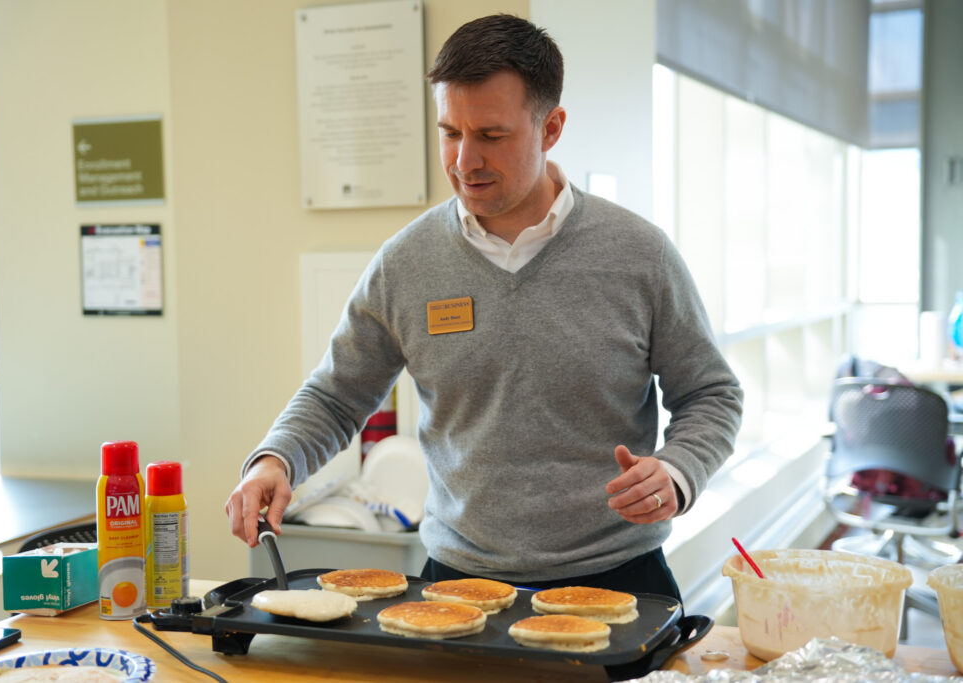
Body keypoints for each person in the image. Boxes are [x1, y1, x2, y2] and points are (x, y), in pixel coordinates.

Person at [225, 14, 742, 601]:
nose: (464, 161)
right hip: (456, 582)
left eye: (492, 136)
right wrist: (275, 459)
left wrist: (677, 471)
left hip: (620, 580)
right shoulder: (406, 263)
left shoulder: (640, 255)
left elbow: (711, 395)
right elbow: (336, 395)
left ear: (551, 128)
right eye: (451, 132)